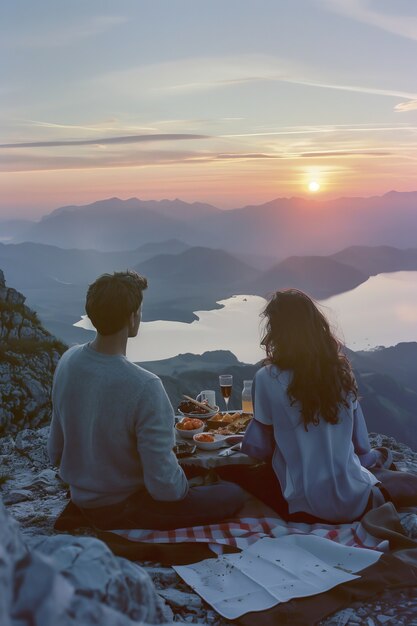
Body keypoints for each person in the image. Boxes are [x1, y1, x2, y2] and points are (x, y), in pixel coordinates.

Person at [48, 270, 246, 530]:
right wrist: (193, 484)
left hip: (82, 497)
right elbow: (166, 490)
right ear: (132, 317)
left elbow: (55, 452)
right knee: (232, 493)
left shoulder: (68, 360)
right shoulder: (144, 385)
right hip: (125, 507)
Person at [241, 289, 391, 524]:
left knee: (232, 480)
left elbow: (256, 448)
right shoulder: (341, 373)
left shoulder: (266, 378)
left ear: (278, 331)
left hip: (302, 505)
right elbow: (361, 445)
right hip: (356, 499)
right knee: (373, 462)